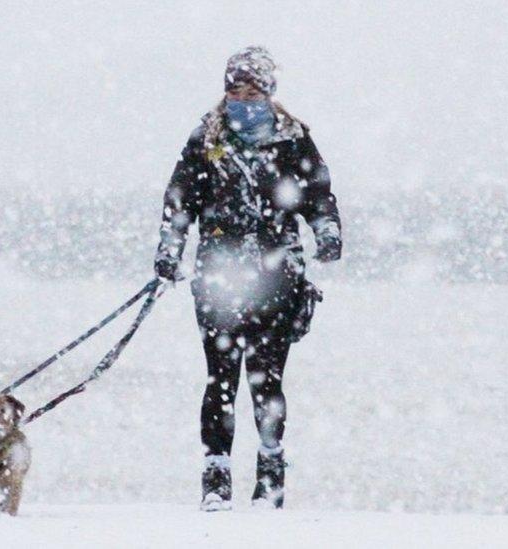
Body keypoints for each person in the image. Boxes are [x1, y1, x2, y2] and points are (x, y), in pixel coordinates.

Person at [153, 46, 342, 510]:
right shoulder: (205, 139)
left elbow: (318, 194)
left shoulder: (295, 140)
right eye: (234, 89)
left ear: (270, 92)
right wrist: (169, 247)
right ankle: (215, 476)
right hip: (219, 272)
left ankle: (270, 477)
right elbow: (180, 199)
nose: (243, 97)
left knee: (266, 379)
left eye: (252, 89)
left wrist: (327, 231)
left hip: (278, 271)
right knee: (220, 377)